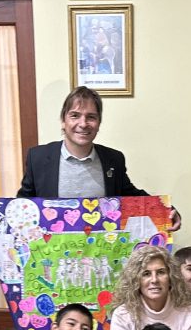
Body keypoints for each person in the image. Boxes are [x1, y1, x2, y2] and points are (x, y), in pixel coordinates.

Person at [15, 86, 181, 230]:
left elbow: (133, 197)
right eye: (75, 115)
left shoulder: (113, 160)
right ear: (63, 120)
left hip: (101, 257)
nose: (83, 123)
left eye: (91, 117)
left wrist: (166, 211)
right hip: (53, 257)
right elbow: (22, 206)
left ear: (99, 123)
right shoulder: (38, 158)